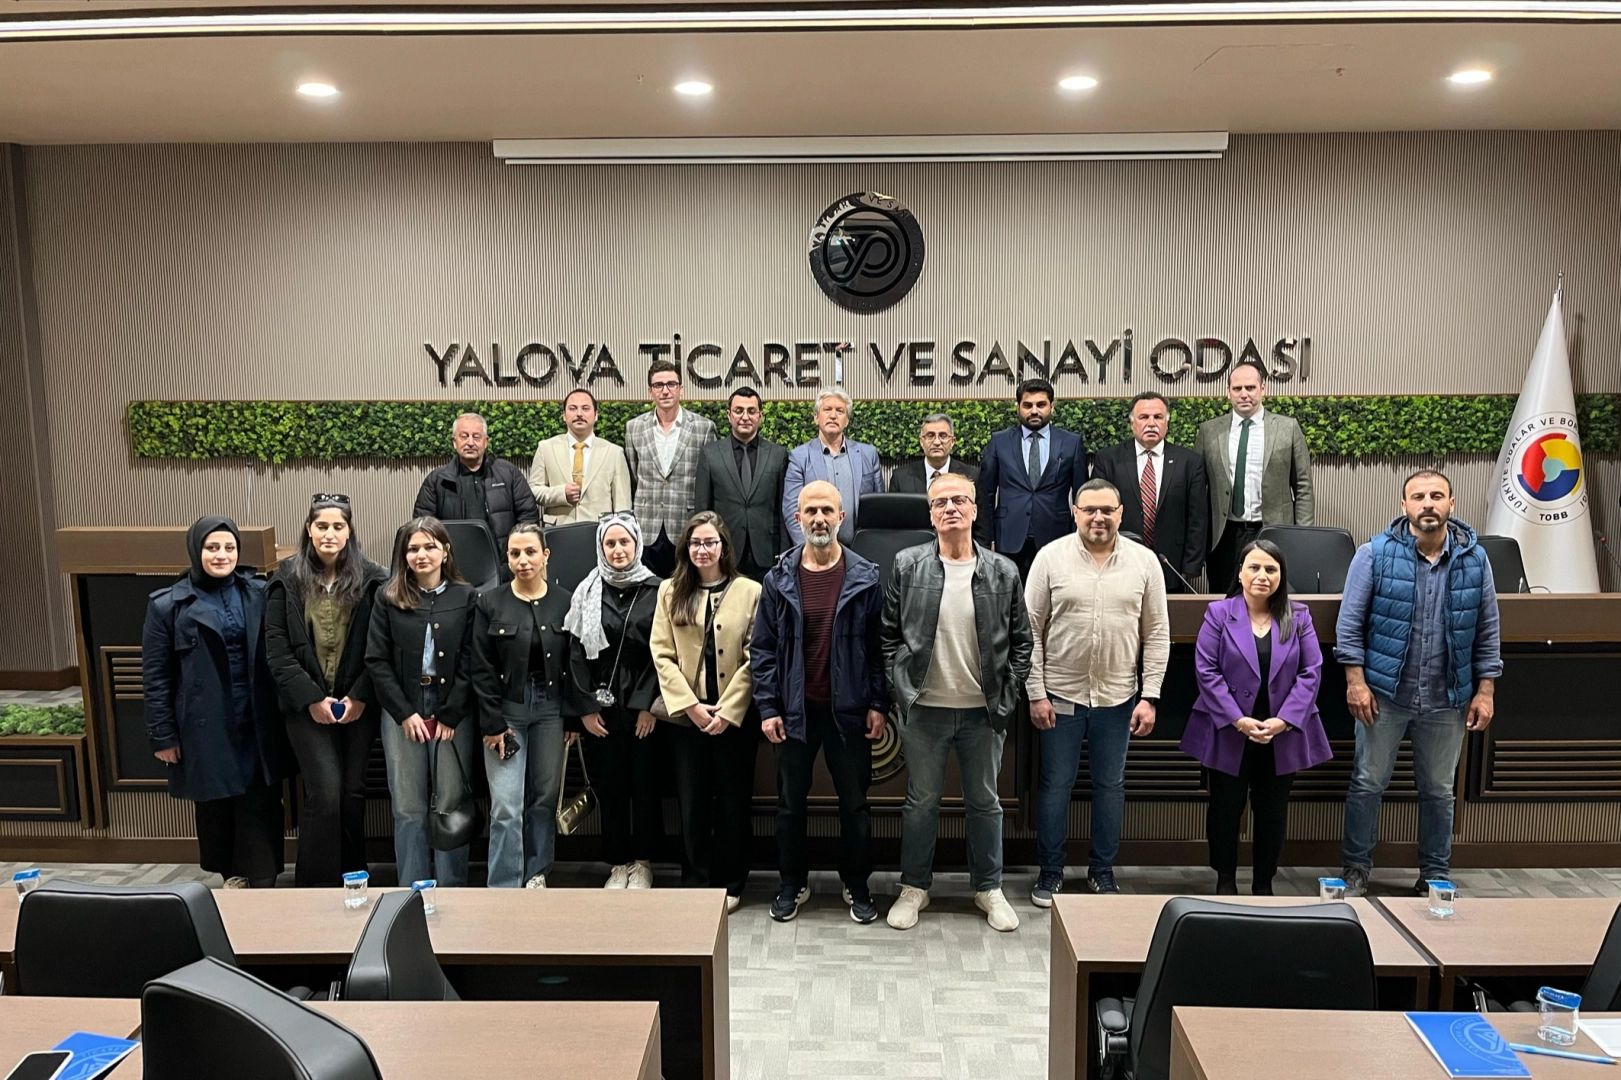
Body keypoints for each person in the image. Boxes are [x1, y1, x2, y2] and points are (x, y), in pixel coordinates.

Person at [1335, 469, 1501, 897]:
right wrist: (1356, 682)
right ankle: (1356, 870)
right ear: (1404, 505)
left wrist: (1485, 690)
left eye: (1437, 496)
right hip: (1384, 694)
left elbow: (1487, 631)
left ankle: (1434, 874)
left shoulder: (1475, 559)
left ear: (1451, 504)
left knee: (1439, 790)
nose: (1428, 503)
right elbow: (1349, 626)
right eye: (1418, 496)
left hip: (1448, 696)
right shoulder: (1374, 554)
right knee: (1367, 782)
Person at [881, 473, 1031, 932]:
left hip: (984, 712)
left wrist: (1008, 694)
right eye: (941, 502)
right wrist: (899, 688)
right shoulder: (907, 565)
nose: (950, 508)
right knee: (921, 802)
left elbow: (1022, 642)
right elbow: (888, 635)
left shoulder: (1003, 570)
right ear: (930, 514)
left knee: (985, 802)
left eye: (959, 500)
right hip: (924, 708)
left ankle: (988, 887)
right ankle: (914, 887)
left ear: (974, 509)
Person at [751, 481, 890, 924]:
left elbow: (878, 648)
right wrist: (769, 708)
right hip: (794, 713)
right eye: (810, 511)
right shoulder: (777, 579)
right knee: (791, 805)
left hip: (849, 712)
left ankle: (857, 884)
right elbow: (763, 650)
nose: (819, 519)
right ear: (798, 519)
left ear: (841, 517)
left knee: (855, 805)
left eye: (827, 510)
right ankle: (792, 882)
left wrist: (879, 703)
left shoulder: (865, 577)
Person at [1026, 479, 1169, 905]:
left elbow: (1157, 633)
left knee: (1110, 785)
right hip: (1060, 694)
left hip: (1118, 697)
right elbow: (1029, 630)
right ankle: (1050, 872)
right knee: (1056, 785)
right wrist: (1035, 692)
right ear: (1075, 513)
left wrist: (1151, 695)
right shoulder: (1050, 558)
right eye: (1089, 510)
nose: (1098, 518)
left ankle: (1102, 872)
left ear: (1121, 514)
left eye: (1107, 510)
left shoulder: (1144, 562)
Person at [143, 516, 291, 889]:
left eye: (229, 547)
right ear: (196, 550)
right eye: (212, 547)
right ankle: (232, 877)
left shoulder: (260, 592)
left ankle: (264, 880)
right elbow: (156, 677)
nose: (221, 555)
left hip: (257, 718)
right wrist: (163, 735)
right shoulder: (167, 605)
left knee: (261, 802)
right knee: (219, 807)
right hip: (204, 722)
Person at [1182, 539, 1332, 895]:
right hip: (1229, 729)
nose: (1262, 575)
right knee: (1225, 808)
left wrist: (1284, 720)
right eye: (1254, 567)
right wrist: (1238, 719)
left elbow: (1311, 671)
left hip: (1281, 732)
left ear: (1281, 575)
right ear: (1240, 573)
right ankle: (1225, 880)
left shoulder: (1299, 616)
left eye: (1271, 569)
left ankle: (1264, 883)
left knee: (1272, 811)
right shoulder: (1219, 613)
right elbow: (1206, 670)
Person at [265, 495, 387, 888]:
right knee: (325, 792)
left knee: (352, 792)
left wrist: (360, 696)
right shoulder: (286, 579)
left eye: (338, 526)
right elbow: (277, 651)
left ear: (349, 531)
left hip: (358, 703)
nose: (329, 534)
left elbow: (382, 646)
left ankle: (354, 881)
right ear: (309, 530)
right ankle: (316, 887)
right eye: (321, 526)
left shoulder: (374, 579)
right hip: (306, 707)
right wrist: (312, 700)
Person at [650, 511, 762, 911]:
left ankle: (731, 882)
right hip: (687, 719)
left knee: (733, 802)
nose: (703, 549)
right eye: (695, 543)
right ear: (686, 548)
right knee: (693, 802)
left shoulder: (750, 591)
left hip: (735, 719)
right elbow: (662, 654)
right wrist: (692, 707)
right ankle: (696, 881)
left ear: (723, 546)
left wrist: (727, 711)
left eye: (710, 542)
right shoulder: (669, 591)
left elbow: (755, 655)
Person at [471, 522, 593, 888]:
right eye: (514, 554)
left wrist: (573, 718)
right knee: (506, 805)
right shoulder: (490, 603)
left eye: (530, 552)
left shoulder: (566, 601)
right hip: (507, 712)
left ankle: (537, 875)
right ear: (507, 559)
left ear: (545, 556)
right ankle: (504, 886)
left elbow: (576, 663)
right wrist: (492, 723)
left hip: (552, 711)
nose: (522, 560)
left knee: (543, 798)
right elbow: (480, 667)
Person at [365, 516, 480, 889]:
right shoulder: (388, 597)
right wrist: (404, 713)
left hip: (453, 711)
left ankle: (452, 888)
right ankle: (411, 890)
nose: (421, 554)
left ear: (445, 551)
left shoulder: (467, 597)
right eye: (413, 548)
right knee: (408, 807)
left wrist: (452, 713)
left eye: (430, 546)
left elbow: (472, 660)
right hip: (403, 710)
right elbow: (376, 661)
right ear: (403, 555)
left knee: (450, 802)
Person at [563, 514, 664, 889]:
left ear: (637, 545)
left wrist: (647, 705)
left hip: (643, 704)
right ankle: (618, 864)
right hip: (601, 704)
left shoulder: (657, 590)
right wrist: (586, 709)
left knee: (646, 786)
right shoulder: (586, 591)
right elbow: (574, 654)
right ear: (600, 548)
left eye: (625, 542)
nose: (618, 550)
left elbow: (664, 652)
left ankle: (643, 863)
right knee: (611, 787)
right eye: (610, 543)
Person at [1194, 361, 1314, 593]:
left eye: (1250, 388)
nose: (1244, 394)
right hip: (1224, 536)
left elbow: (1303, 486)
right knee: (1226, 599)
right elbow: (1198, 489)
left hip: (1272, 531)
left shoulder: (1288, 428)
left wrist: (1303, 535)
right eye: (1237, 388)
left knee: (1271, 598)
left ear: (1263, 389)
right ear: (1228, 392)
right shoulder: (1209, 431)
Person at [1090, 392, 1209, 593]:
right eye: (1144, 417)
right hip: (1118, 562)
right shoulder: (1108, 459)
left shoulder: (1190, 462)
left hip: (1171, 564)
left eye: (1158, 417)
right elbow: (1097, 511)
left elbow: (1197, 517)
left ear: (1167, 423)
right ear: (1132, 423)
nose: (1151, 423)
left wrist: (1192, 564)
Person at [974, 378, 1090, 579]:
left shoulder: (1071, 442)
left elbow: (1082, 497)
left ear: (1052, 407)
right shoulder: (999, 442)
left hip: (1057, 536)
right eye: (1027, 405)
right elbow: (986, 494)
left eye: (1041, 405)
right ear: (1018, 408)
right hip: (1007, 538)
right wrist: (986, 540)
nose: (1034, 411)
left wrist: (1078, 538)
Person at [624, 359, 718, 576]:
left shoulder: (703, 428)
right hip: (646, 526)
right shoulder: (634, 428)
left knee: (687, 588)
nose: (665, 391)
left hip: (686, 525)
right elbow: (633, 477)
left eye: (671, 384)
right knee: (648, 590)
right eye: (658, 385)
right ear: (650, 391)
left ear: (680, 389)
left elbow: (708, 482)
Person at [694, 387, 789, 580]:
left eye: (751, 411)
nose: (745, 417)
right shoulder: (710, 454)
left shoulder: (778, 455)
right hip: (724, 551)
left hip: (767, 553)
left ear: (760, 416)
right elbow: (703, 510)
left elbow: (783, 509)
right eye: (739, 411)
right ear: (729, 415)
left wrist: (785, 553)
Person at [414, 412, 540, 558]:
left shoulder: (509, 473)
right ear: (454, 442)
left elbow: (528, 516)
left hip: (502, 562)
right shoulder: (437, 480)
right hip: (453, 563)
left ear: (485, 442)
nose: (470, 442)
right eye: (464, 436)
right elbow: (423, 525)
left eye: (476, 437)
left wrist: (515, 553)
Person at [782, 389, 884, 547]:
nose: (833, 416)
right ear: (816, 417)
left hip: (860, 550)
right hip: (816, 549)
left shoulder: (868, 454)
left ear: (847, 420)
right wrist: (808, 550)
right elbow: (791, 510)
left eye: (840, 411)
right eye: (827, 409)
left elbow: (879, 507)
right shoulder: (799, 457)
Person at [527, 388, 633, 527]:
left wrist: (620, 532)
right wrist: (561, 493)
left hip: (599, 531)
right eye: (573, 408)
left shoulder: (614, 452)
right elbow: (534, 490)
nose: (579, 414)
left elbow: (622, 504)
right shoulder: (546, 448)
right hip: (558, 530)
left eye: (585, 408)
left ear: (596, 415)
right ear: (564, 415)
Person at [889, 413, 979, 494]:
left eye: (943, 436)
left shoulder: (971, 476)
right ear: (921, 441)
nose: (936, 442)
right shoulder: (900, 478)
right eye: (930, 436)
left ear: (952, 441)